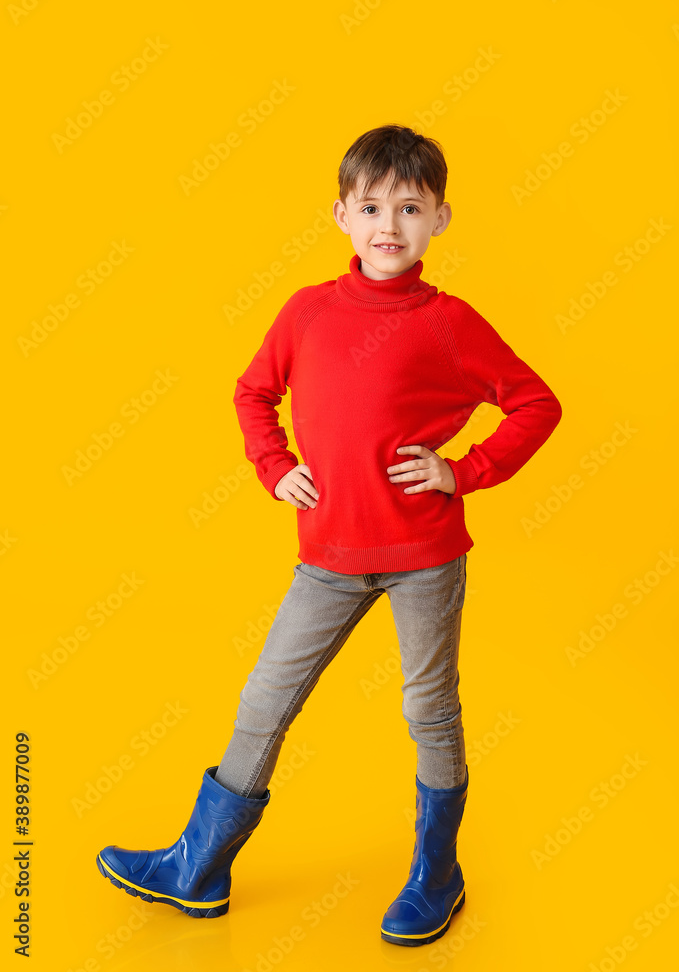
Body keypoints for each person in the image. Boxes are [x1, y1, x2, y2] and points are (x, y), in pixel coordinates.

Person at [96, 123, 562, 946]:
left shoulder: (450, 322)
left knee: (429, 709)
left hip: (423, 556)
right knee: (265, 700)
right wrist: (275, 468)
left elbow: (535, 403)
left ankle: (437, 874)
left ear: (439, 221)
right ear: (341, 214)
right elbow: (251, 394)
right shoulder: (307, 311)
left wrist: (465, 470)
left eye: (410, 208)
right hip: (328, 560)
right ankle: (196, 868)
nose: (390, 223)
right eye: (372, 205)